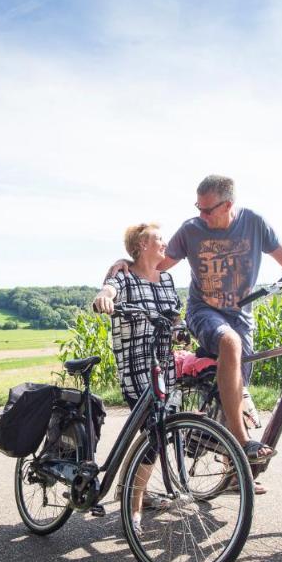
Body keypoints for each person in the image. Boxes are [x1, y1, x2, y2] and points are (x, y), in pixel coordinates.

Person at [101, 175, 282, 493]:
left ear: (228, 205)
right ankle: (241, 443)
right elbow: (156, 264)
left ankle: (231, 472)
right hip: (203, 312)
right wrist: (126, 262)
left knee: (236, 390)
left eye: (208, 210)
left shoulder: (254, 224)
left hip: (242, 317)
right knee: (229, 343)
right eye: (199, 208)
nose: (202, 215)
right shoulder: (192, 229)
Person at [92, 222, 180, 535]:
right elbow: (110, 288)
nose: (165, 243)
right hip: (137, 366)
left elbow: (175, 316)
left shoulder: (167, 278)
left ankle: (129, 487)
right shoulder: (124, 275)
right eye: (159, 239)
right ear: (142, 245)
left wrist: (181, 330)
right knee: (154, 433)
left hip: (164, 365)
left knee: (163, 431)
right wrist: (105, 295)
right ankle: (134, 507)